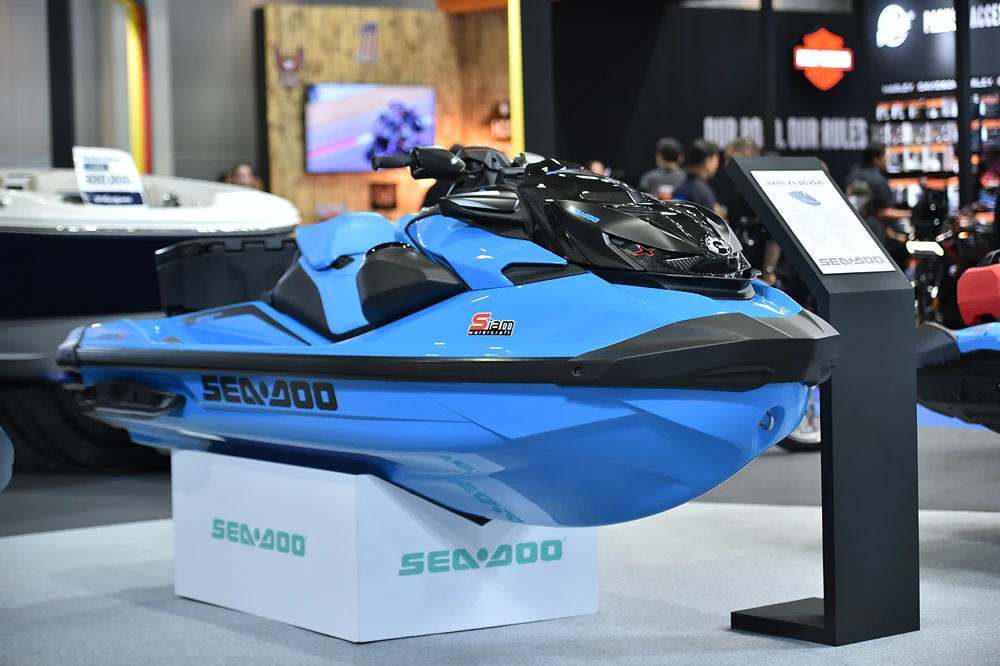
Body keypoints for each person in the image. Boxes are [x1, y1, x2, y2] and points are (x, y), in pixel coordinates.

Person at [723, 137, 781, 286]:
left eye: (730, 157)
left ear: (746, 153)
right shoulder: (740, 188)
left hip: (763, 271)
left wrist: (769, 270)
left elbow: (774, 230)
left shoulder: (765, 184)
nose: (726, 164)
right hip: (745, 266)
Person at [843, 141, 911, 253]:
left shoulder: (852, 174)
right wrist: (908, 214)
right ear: (876, 159)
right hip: (874, 231)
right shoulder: (878, 181)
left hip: (851, 229)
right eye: (885, 156)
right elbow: (883, 212)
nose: (887, 159)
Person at [672, 139, 722, 215]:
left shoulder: (680, 186)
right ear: (708, 162)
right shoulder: (704, 192)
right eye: (716, 161)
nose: (717, 165)